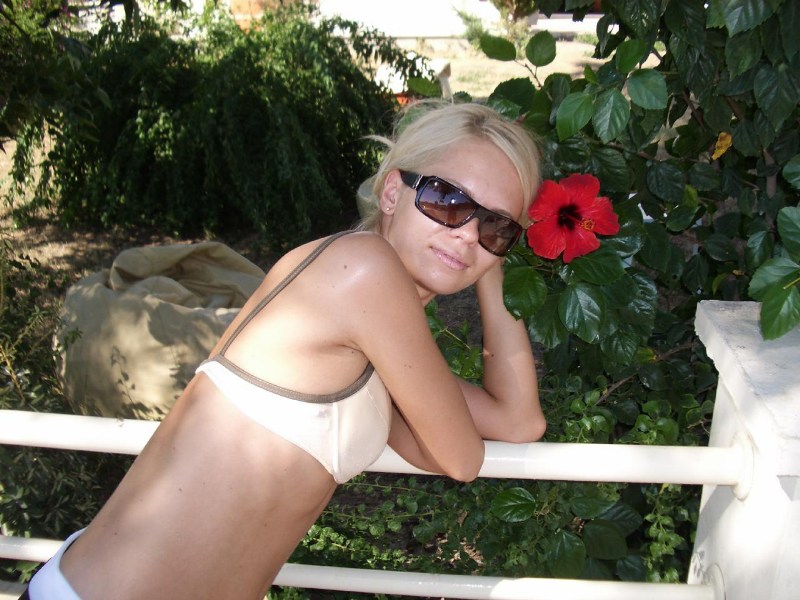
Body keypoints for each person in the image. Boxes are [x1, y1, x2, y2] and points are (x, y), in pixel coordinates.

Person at [22, 100, 546, 600]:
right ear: (392, 193)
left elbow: (518, 420)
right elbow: (463, 457)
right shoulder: (362, 270)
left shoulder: (367, 328)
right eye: (448, 200)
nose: (467, 234)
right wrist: (488, 247)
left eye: (496, 226)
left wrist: (491, 266)